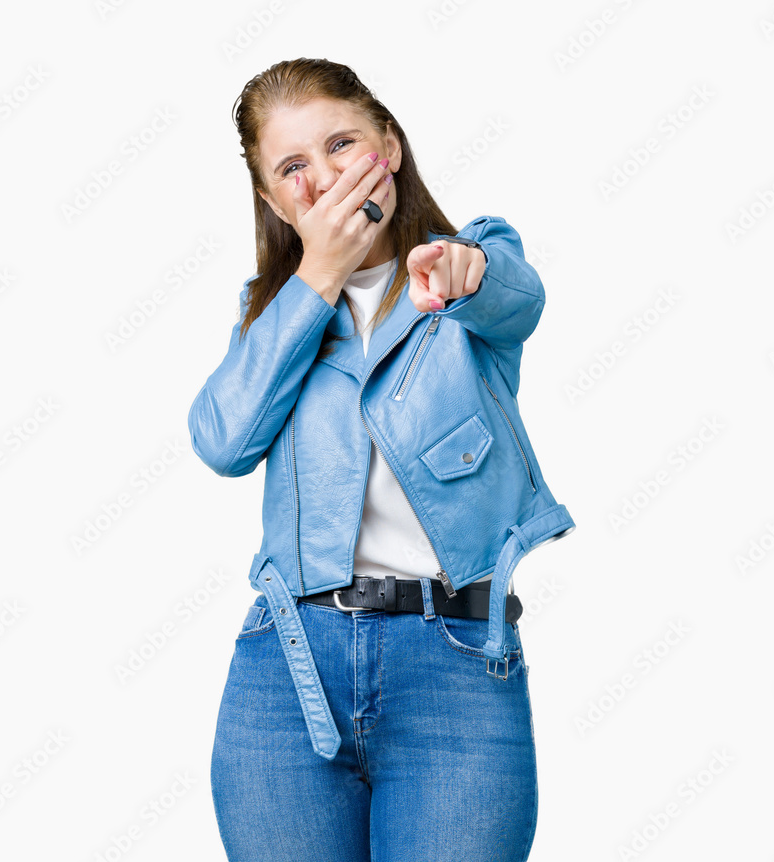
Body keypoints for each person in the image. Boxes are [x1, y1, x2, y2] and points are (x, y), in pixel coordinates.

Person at [188, 57, 575, 862]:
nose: (323, 177)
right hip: (288, 671)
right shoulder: (271, 315)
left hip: (457, 667)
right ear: (271, 199)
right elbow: (223, 441)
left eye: (342, 144)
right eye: (293, 166)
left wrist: (468, 273)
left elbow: (516, 297)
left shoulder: (468, 265)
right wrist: (318, 275)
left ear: (388, 147)